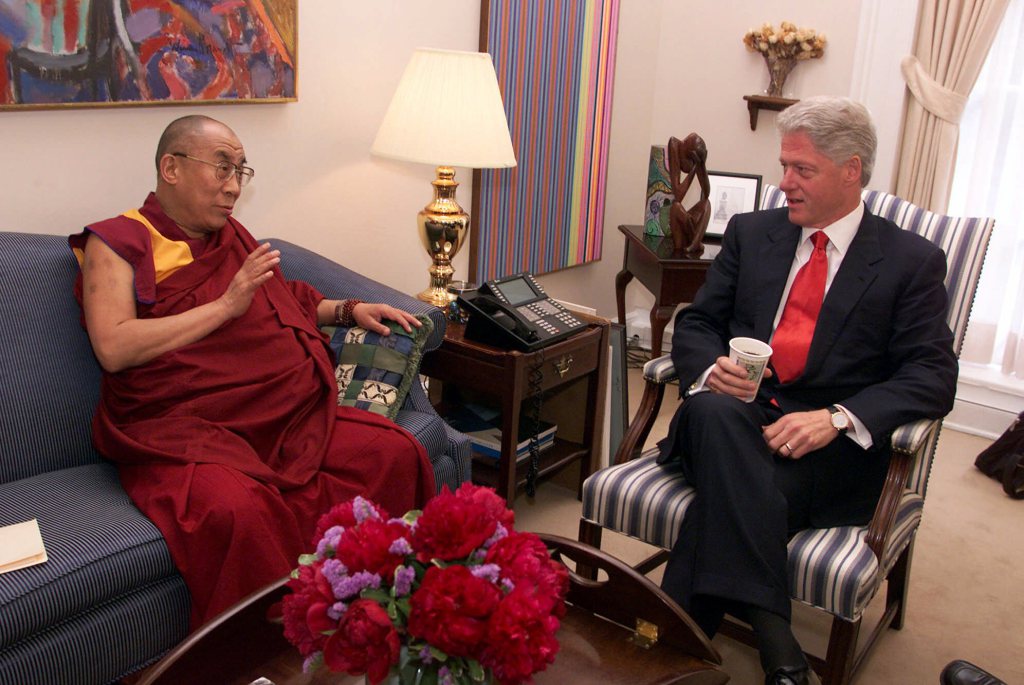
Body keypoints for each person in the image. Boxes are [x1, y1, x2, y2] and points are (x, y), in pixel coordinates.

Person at [69, 115, 436, 628]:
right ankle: (273, 649)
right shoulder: (117, 242)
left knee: (392, 451)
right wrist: (226, 304)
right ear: (171, 168)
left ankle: (377, 606)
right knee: (237, 510)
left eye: (241, 170)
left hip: (282, 416)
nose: (234, 186)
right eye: (222, 167)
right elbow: (113, 346)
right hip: (181, 428)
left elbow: (281, 301)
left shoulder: (231, 237)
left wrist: (348, 310)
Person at [656, 97, 958, 685]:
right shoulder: (751, 233)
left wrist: (837, 418)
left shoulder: (910, 262)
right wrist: (711, 368)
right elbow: (697, 322)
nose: (784, 182)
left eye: (803, 169)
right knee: (713, 413)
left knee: (740, 495)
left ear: (851, 171)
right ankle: (779, 646)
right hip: (736, 415)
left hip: (823, 450)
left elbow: (932, 374)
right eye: (784, 166)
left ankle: (672, 651)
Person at [667, 132, 712, 255]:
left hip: (687, 226)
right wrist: (694, 169)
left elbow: (706, 193)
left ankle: (694, 244)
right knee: (676, 207)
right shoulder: (674, 145)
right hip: (675, 223)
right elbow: (678, 195)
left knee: (706, 204)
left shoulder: (696, 159)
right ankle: (695, 241)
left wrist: (702, 165)